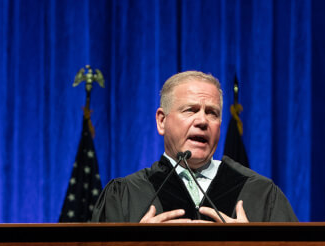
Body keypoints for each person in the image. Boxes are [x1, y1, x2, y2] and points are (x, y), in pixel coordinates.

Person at [91, 71, 297, 223]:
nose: (202, 121)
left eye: (212, 113)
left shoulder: (261, 194)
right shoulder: (125, 196)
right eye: (190, 110)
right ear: (162, 121)